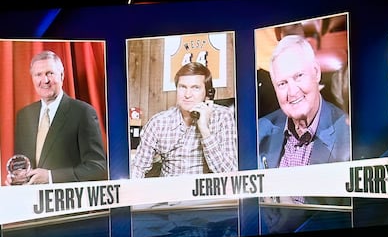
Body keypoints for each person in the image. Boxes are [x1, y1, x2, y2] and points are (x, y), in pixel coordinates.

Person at [8, 50, 109, 185]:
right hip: (32, 201)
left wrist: (51, 177)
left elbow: (98, 169)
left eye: (50, 73)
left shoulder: (83, 112)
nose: (45, 80)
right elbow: (22, 163)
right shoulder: (24, 115)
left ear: (62, 75)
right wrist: (17, 177)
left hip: (67, 202)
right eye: (38, 74)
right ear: (32, 78)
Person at [130, 54, 238, 176]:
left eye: (195, 88)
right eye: (182, 87)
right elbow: (138, 168)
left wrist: (205, 130)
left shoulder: (223, 117)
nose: (187, 94)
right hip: (170, 192)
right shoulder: (158, 123)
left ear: (208, 93)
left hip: (205, 193)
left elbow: (231, 173)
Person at [256, 34, 351, 167]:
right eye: (282, 84)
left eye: (298, 76)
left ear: (316, 72)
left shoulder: (347, 135)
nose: (292, 92)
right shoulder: (260, 132)